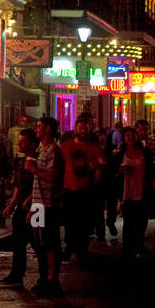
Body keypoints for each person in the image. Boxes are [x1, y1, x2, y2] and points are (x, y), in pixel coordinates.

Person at [27, 116, 66, 295]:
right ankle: (44, 277)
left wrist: (34, 169)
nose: (37, 129)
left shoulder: (54, 151)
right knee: (39, 243)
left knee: (50, 243)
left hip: (49, 205)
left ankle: (52, 280)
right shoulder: (42, 150)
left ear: (48, 129)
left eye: (40, 126)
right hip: (38, 205)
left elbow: (52, 176)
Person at [59, 113, 102, 265]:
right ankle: (69, 248)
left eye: (85, 128)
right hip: (69, 189)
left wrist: (96, 170)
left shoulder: (94, 147)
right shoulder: (66, 147)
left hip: (86, 190)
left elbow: (100, 165)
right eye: (80, 128)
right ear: (75, 129)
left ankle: (82, 250)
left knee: (84, 223)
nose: (83, 130)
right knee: (70, 221)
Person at [0, 127, 41, 286]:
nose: (20, 144)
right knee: (18, 242)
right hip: (21, 208)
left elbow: (40, 184)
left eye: (23, 141)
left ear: (32, 144)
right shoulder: (21, 162)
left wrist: (30, 199)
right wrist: (11, 205)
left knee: (39, 242)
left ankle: (45, 276)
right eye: (20, 141)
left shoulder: (38, 160)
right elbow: (18, 187)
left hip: (37, 209)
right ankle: (17, 274)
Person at [115, 127, 149, 259]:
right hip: (126, 192)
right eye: (127, 135)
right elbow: (113, 172)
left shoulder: (144, 153)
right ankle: (127, 248)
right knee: (128, 222)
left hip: (141, 190)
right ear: (124, 138)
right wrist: (120, 170)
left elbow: (150, 171)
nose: (130, 138)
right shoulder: (119, 155)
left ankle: (139, 246)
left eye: (132, 135)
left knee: (141, 222)